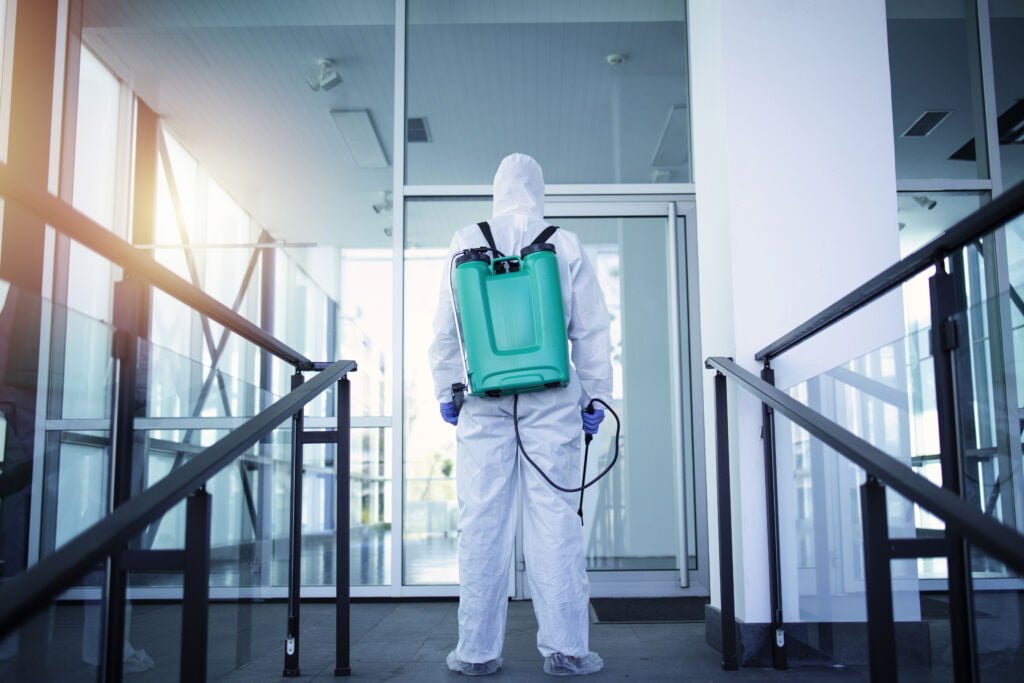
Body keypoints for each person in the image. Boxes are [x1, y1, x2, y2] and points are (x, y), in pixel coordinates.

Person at [429, 153, 612, 676]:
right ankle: (567, 649)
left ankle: (477, 652)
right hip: (553, 402)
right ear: (539, 190)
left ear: (496, 190)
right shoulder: (564, 242)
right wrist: (594, 397)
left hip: (483, 404)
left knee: (482, 522)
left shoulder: (466, 238)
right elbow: (592, 330)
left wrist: (448, 387)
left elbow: (448, 326)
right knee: (555, 520)